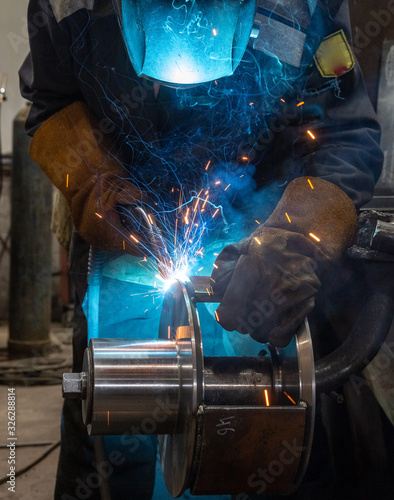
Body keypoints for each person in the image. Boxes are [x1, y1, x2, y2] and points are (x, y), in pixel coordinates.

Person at [19, 0, 383, 499]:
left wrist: (296, 239)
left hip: (260, 257)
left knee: (270, 444)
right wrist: (93, 185)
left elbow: (344, 134)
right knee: (109, 444)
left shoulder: (306, 5)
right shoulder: (64, 6)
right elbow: (52, 104)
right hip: (123, 250)